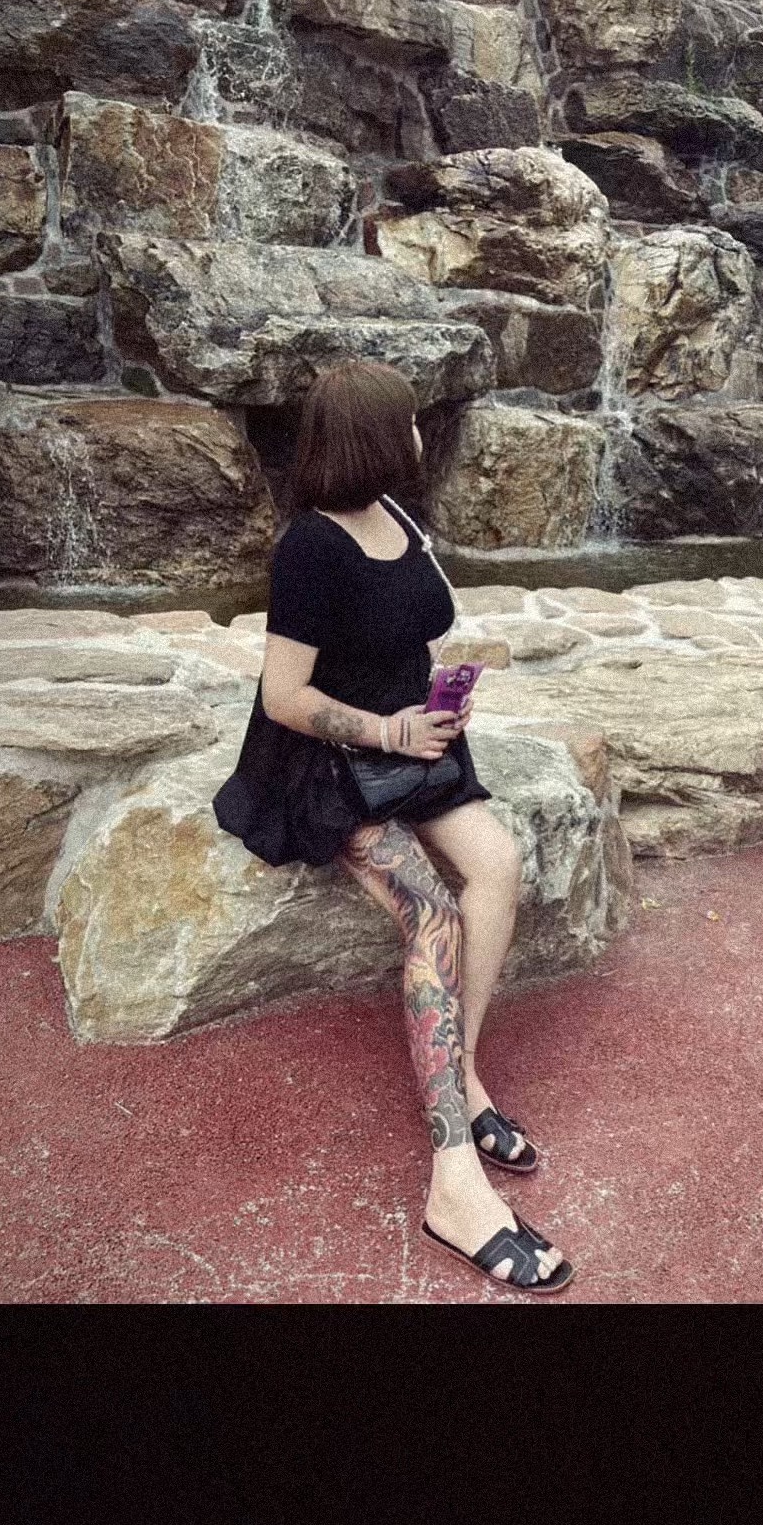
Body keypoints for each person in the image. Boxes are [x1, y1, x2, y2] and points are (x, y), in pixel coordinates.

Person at [213, 358, 574, 1294]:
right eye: (410, 420)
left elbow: (407, 635)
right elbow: (284, 696)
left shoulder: (399, 520)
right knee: (433, 913)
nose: (420, 434)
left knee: (496, 865)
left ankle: (465, 1075)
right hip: (331, 768)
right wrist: (388, 730)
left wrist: (439, 707)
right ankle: (454, 1183)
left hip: (415, 754)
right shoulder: (310, 548)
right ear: (377, 434)